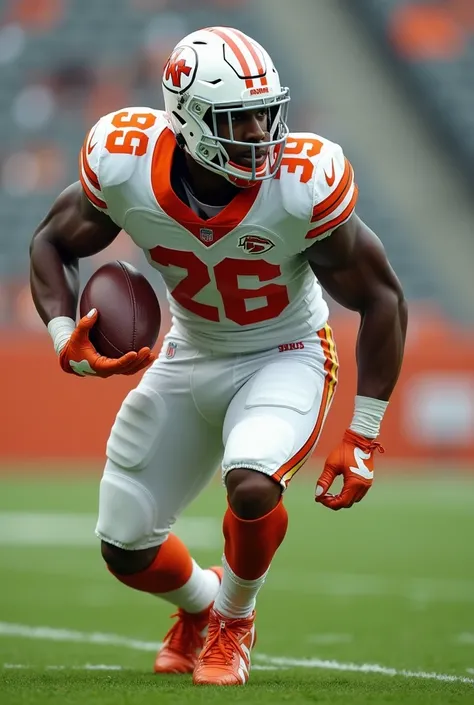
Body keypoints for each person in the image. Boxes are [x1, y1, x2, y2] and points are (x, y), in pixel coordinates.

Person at [29, 26, 407, 686]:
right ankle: (202, 604)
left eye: (268, 112)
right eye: (242, 118)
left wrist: (365, 433)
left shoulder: (301, 181)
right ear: (190, 119)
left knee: (253, 480)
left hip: (285, 350)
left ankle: (235, 617)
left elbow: (382, 297)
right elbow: (51, 243)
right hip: (189, 349)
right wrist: (66, 335)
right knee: (123, 546)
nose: (264, 131)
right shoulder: (124, 159)